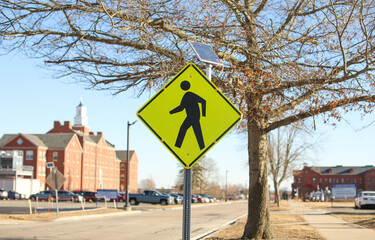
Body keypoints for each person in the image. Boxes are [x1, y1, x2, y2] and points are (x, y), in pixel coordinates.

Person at [170, 80, 206, 150]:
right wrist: (170, 112)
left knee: (193, 131)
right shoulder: (186, 95)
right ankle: (178, 147)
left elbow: (203, 101)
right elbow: (181, 108)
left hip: (194, 116)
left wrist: (203, 114)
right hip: (190, 116)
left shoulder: (189, 94)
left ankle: (178, 146)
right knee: (188, 130)